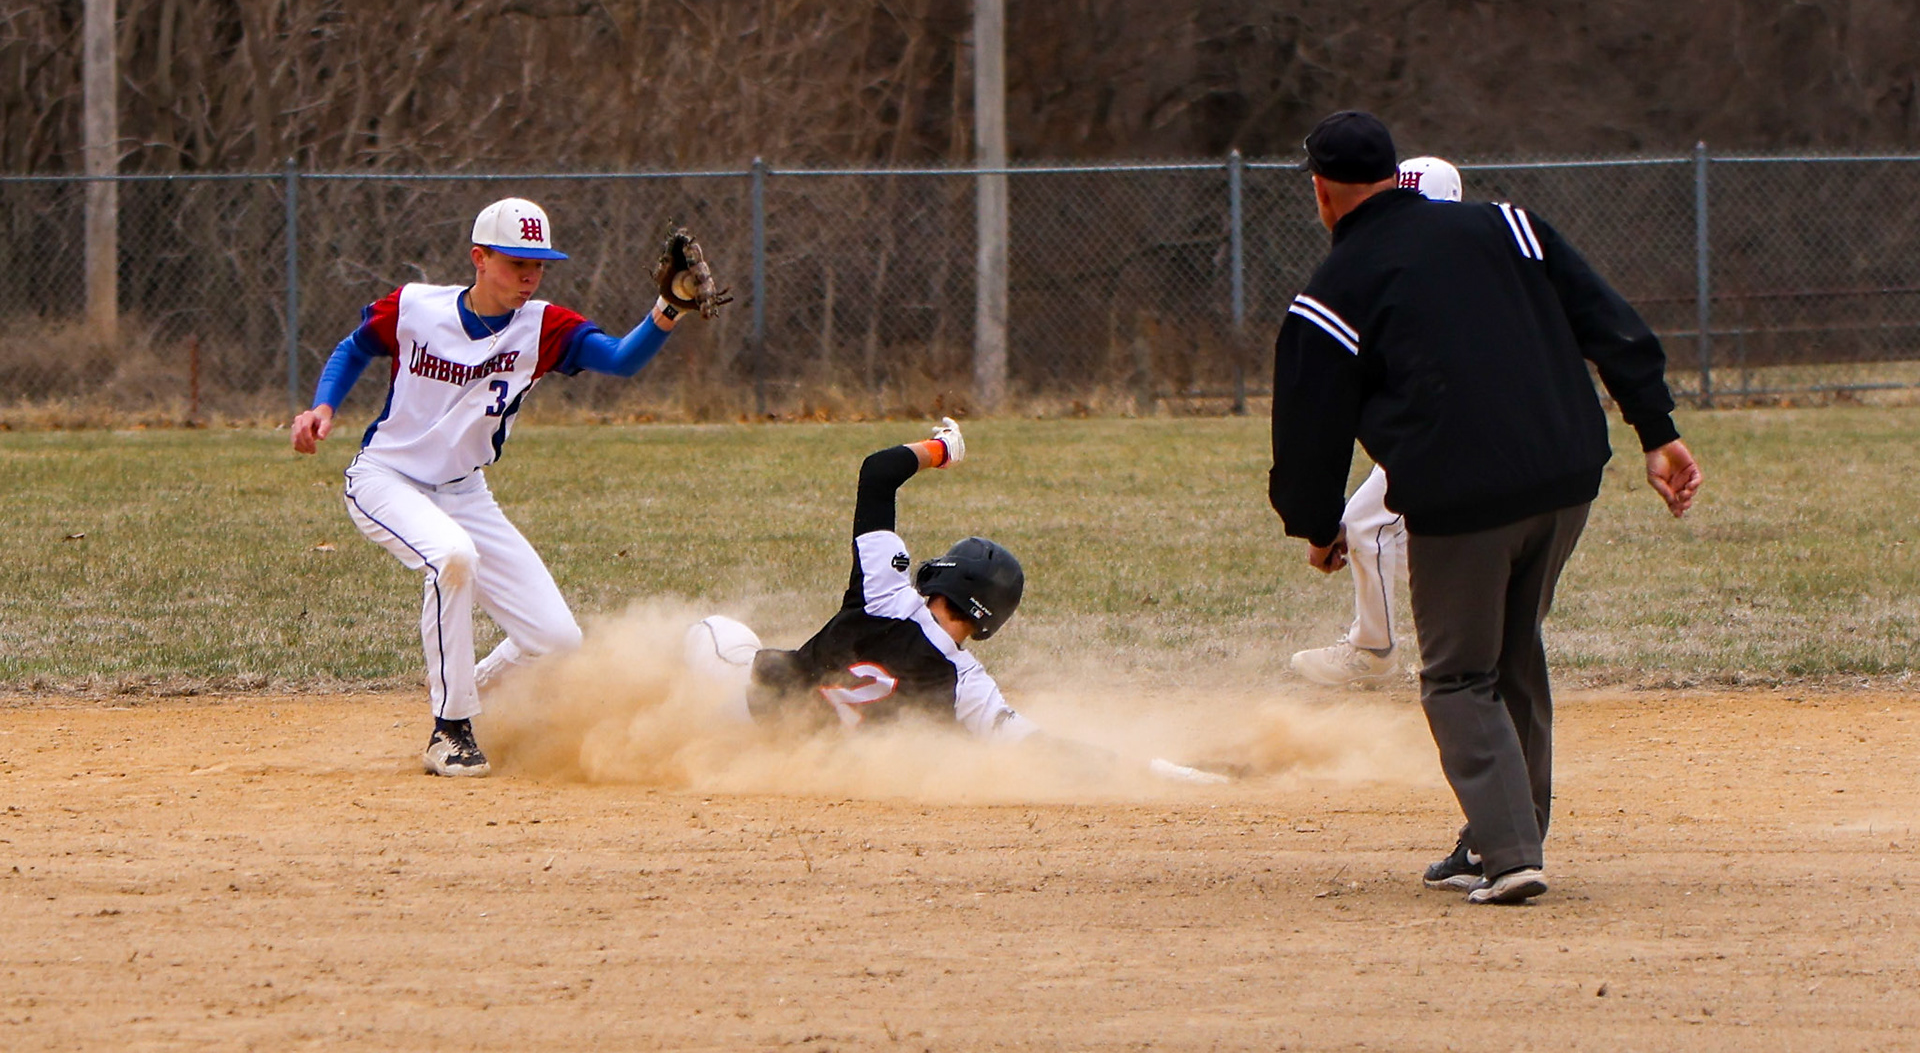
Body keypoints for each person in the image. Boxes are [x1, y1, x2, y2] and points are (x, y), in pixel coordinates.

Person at [1269, 111, 1701, 904]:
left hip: (1465, 499)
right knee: (1511, 656)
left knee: (1459, 678)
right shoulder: (1508, 225)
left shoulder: (1334, 289)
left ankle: (1509, 854)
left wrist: (1319, 522)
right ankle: (1507, 834)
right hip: (1567, 475)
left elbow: (1309, 424)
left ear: (1323, 193)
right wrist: (1657, 431)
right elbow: (1610, 323)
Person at [290, 198, 724, 778]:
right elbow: (355, 346)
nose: (529, 274)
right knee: (451, 559)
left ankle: (464, 691)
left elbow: (620, 360)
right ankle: (450, 730)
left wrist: (667, 309)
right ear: (479, 258)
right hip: (386, 478)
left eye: (538, 263)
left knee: (557, 641)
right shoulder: (417, 307)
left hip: (465, 492)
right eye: (516, 260)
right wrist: (323, 405)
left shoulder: (542, 326)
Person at [683, 422, 1226, 783]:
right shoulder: (968, 686)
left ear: (947, 578)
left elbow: (877, 473)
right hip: (803, 769)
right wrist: (1149, 770)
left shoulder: (887, 593)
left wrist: (944, 449)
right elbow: (1039, 747)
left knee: (715, 633)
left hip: (749, 714)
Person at [1288, 156, 1460, 687]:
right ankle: (1476, 640)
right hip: (1473, 431)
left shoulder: (1397, 267)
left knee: (1368, 526)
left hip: (1447, 435)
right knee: (1420, 537)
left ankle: (1375, 649)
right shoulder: (1473, 258)